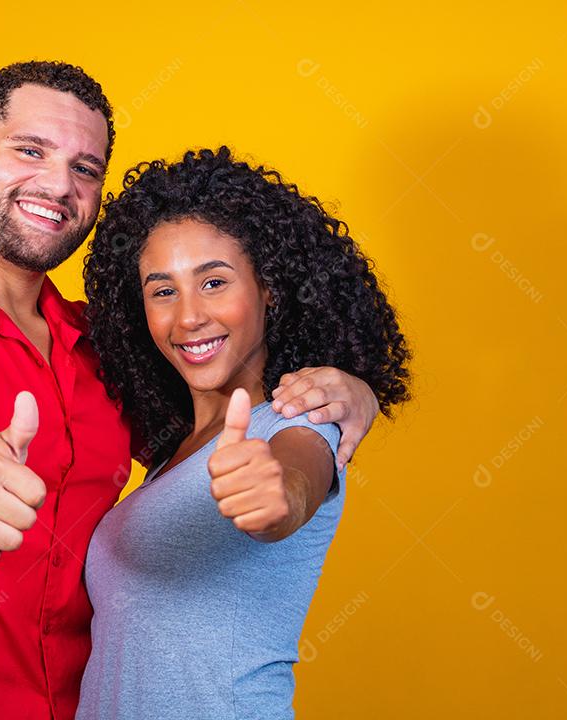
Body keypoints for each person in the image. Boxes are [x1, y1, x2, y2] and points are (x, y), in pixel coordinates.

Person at [0, 61, 381, 720]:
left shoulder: (106, 351)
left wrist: (350, 390)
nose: (58, 184)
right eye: (30, 150)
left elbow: (244, 443)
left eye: (85, 167)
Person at [76, 146, 411, 719]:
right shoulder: (168, 452)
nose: (188, 317)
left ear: (270, 289)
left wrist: (278, 493)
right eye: (163, 291)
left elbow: (293, 485)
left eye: (213, 283)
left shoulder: (299, 419)